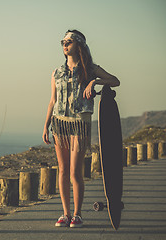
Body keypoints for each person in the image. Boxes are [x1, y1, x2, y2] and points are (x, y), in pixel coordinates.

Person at [42, 30, 120, 228]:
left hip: (79, 123)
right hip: (59, 124)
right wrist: (46, 125)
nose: (65, 44)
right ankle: (65, 213)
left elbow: (115, 80)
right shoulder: (56, 72)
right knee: (62, 170)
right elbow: (53, 100)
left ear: (79, 45)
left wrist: (95, 81)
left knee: (75, 171)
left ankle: (77, 215)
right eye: (63, 41)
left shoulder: (90, 69)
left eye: (69, 41)